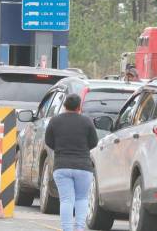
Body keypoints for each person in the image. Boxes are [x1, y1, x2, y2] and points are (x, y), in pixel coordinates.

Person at [45, 93, 99, 231]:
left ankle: (67, 229)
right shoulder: (87, 121)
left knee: (66, 200)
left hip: (61, 166)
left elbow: (49, 141)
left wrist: (60, 149)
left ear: (64, 105)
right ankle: (79, 228)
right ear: (79, 107)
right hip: (83, 167)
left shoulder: (55, 121)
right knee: (81, 198)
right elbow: (94, 142)